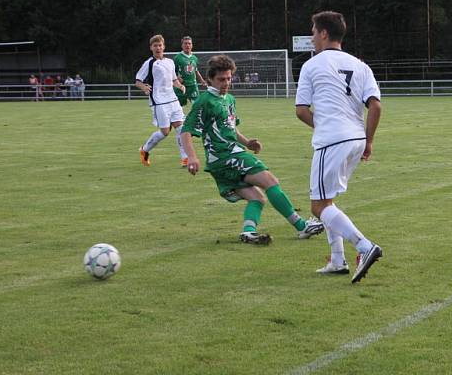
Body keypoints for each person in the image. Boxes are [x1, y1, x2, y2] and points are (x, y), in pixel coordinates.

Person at [180, 54, 324, 244]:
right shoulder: (204, 101)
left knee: (257, 198)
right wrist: (191, 157)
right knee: (270, 181)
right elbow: (186, 131)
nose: (226, 83)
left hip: (225, 159)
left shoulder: (229, 99)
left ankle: (248, 232)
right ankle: (302, 226)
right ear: (209, 79)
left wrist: (247, 143)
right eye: (221, 79)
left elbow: (231, 128)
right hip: (226, 156)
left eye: (229, 78)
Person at [295, 10, 383, 283]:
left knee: (318, 205)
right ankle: (337, 260)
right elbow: (376, 105)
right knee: (328, 199)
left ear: (323, 33)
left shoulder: (312, 65)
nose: (311, 37)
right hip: (356, 138)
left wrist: (323, 126)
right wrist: (368, 140)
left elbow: (300, 110)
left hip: (332, 140)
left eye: (313, 31)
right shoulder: (360, 65)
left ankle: (365, 247)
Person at [134, 35, 189, 167]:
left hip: (173, 100)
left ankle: (185, 159)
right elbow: (137, 81)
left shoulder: (170, 62)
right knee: (165, 132)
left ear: (164, 47)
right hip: (159, 102)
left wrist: (180, 86)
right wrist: (144, 87)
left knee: (181, 128)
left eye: (160, 45)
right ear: (151, 48)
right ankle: (144, 150)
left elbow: (174, 79)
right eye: (155, 46)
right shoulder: (149, 63)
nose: (158, 48)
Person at [173, 36, 207, 109]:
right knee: (178, 107)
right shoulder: (177, 58)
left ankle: (196, 119)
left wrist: (202, 80)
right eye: (185, 43)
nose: (187, 45)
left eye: (189, 43)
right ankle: (180, 119)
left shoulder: (194, 58)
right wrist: (178, 77)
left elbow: (196, 70)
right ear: (182, 45)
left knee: (198, 105)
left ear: (192, 45)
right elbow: (172, 71)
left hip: (193, 86)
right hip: (181, 86)